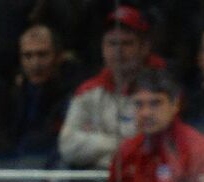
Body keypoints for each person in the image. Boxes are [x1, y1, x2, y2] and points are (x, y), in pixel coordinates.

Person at [107, 67, 204, 182]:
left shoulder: (203, 155)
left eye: (155, 103)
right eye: (139, 104)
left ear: (175, 104)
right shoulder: (126, 152)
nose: (146, 113)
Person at [59, 6, 163, 170]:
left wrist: (92, 140)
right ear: (102, 47)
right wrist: (124, 143)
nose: (118, 51)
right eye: (112, 43)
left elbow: (153, 150)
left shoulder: (162, 92)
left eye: (127, 43)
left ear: (144, 48)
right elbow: (68, 146)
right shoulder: (88, 91)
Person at [6, 24, 82, 165]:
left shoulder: (76, 95)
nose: (35, 63)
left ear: (59, 56)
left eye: (42, 55)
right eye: (28, 56)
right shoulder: (12, 93)